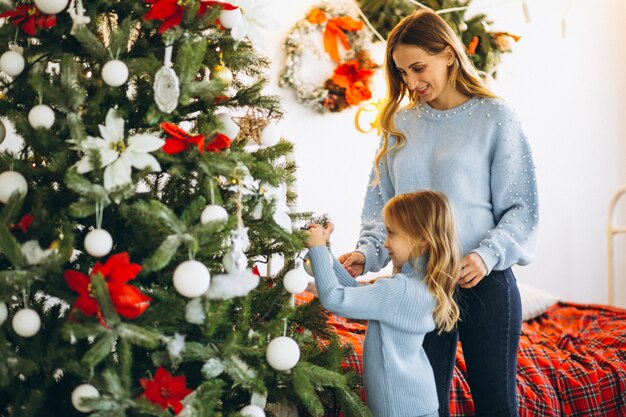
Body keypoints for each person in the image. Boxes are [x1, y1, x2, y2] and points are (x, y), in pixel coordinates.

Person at [338, 9, 539, 417]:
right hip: (416, 288)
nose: (412, 83)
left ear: (448, 54)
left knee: (496, 407)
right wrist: (367, 253)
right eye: (402, 73)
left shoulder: (494, 117)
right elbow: (382, 209)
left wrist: (487, 255)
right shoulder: (398, 122)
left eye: (418, 68)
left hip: (482, 282)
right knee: (423, 409)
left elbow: (521, 208)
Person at [307, 190, 461, 417]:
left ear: (421, 238)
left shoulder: (400, 289)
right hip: (415, 406)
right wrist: (327, 250)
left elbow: (335, 298)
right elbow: (354, 293)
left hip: (399, 410)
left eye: (391, 233)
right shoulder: (417, 283)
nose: (386, 243)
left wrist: (317, 249)